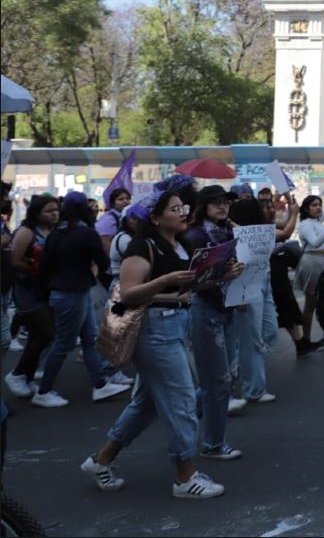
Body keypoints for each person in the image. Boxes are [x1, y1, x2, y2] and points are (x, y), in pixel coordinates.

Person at [80, 189, 227, 499]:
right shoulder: (142, 246)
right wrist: (164, 282)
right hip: (154, 331)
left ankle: (101, 460)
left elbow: (188, 288)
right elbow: (129, 293)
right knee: (182, 401)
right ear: (156, 217)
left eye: (184, 207)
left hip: (176, 327)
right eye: (175, 208)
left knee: (146, 404)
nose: (183, 212)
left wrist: (221, 276)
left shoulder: (182, 244)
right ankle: (185, 478)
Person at [29, 191, 130, 407]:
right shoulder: (86, 233)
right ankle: (44, 390)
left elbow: (44, 267)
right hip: (75, 292)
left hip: (63, 293)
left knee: (89, 339)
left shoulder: (56, 233)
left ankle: (100, 384)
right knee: (65, 343)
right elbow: (102, 262)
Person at [184, 185, 250, 455]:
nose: (222, 206)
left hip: (226, 308)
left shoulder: (227, 232)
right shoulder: (195, 235)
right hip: (205, 309)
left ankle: (189, 409)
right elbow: (191, 283)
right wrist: (226, 277)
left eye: (225, 202)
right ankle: (213, 443)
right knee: (218, 381)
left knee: (225, 378)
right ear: (203, 207)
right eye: (215, 203)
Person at [4, 194, 59, 398]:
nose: (54, 214)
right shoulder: (27, 232)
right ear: (37, 213)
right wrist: (37, 266)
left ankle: (25, 376)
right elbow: (15, 260)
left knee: (40, 336)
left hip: (46, 289)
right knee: (46, 334)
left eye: (56, 210)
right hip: (28, 290)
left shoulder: (54, 230)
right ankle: (17, 373)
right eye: (49, 210)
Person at [226, 199, 277, 405]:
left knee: (269, 331)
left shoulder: (261, 232)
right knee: (252, 339)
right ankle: (254, 388)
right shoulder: (234, 235)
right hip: (246, 285)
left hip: (264, 281)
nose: (269, 210)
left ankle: (242, 367)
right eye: (263, 208)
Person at [294, 191, 324, 354]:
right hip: (312, 262)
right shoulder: (306, 224)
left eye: (319, 204)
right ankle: (306, 340)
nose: (318, 207)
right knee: (311, 303)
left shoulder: (316, 221)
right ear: (307, 209)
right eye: (314, 205)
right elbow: (315, 242)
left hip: (321, 262)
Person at [96, 188, 131, 254]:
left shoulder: (127, 216)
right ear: (113, 203)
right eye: (121, 199)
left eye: (128, 198)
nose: (125, 201)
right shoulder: (107, 219)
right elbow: (105, 243)